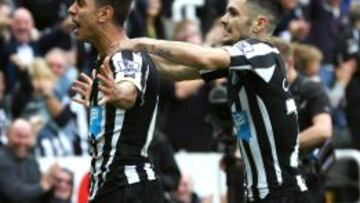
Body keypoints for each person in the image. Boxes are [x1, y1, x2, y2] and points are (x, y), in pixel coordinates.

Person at [118, 0, 312, 202]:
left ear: (259, 24)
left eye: (233, 13)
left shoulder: (261, 51)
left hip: (283, 194)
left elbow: (205, 58)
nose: (223, 19)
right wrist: (126, 54)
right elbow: (176, 71)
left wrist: (141, 43)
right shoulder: (242, 64)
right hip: (263, 194)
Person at [68, 0, 162, 202]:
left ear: (104, 14)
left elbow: (129, 91)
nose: (71, 9)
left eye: (81, 4)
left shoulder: (126, 56)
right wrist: (100, 105)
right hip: (113, 188)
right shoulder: (106, 61)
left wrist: (120, 94)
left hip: (127, 189)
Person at [273, 38, 333, 203]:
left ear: (289, 63)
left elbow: (323, 130)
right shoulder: (267, 93)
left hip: (306, 176)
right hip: (272, 178)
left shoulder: (311, 90)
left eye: (273, 66)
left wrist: (280, 146)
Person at [0, 119, 59, 203]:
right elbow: (15, 193)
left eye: (26, 137)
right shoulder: (2, 159)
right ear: (7, 135)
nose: (22, 142)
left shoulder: (32, 160)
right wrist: (43, 186)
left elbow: (41, 195)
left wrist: (52, 181)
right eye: (18, 136)